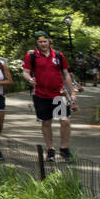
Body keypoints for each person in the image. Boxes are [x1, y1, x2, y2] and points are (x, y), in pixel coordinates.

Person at [21, 33, 77, 162]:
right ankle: (50, 149)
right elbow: (25, 71)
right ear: (37, 43)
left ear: (49, 42)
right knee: (46, 122)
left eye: (45, 41)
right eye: (40, 42)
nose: (42, 44)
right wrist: (30, 79)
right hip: (41, 95)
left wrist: (72, 93)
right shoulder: (32, 56)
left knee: (65, 121)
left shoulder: (58, 55)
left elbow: (66, 74)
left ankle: (64, 148)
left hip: (59, 94)